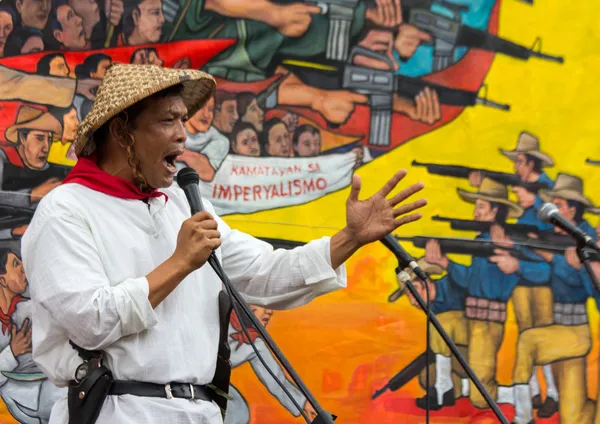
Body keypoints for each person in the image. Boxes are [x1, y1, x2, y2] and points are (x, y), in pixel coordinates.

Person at [21, 63, 427, 423]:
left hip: (202, 411)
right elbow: (91, 323)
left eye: (184, 120)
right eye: (167, 121)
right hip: (120, 411)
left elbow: (267, 274)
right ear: (121, 130)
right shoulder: (66, 210)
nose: (184, 135)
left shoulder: (181, 205)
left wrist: (349, 239)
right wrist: (180, 262)